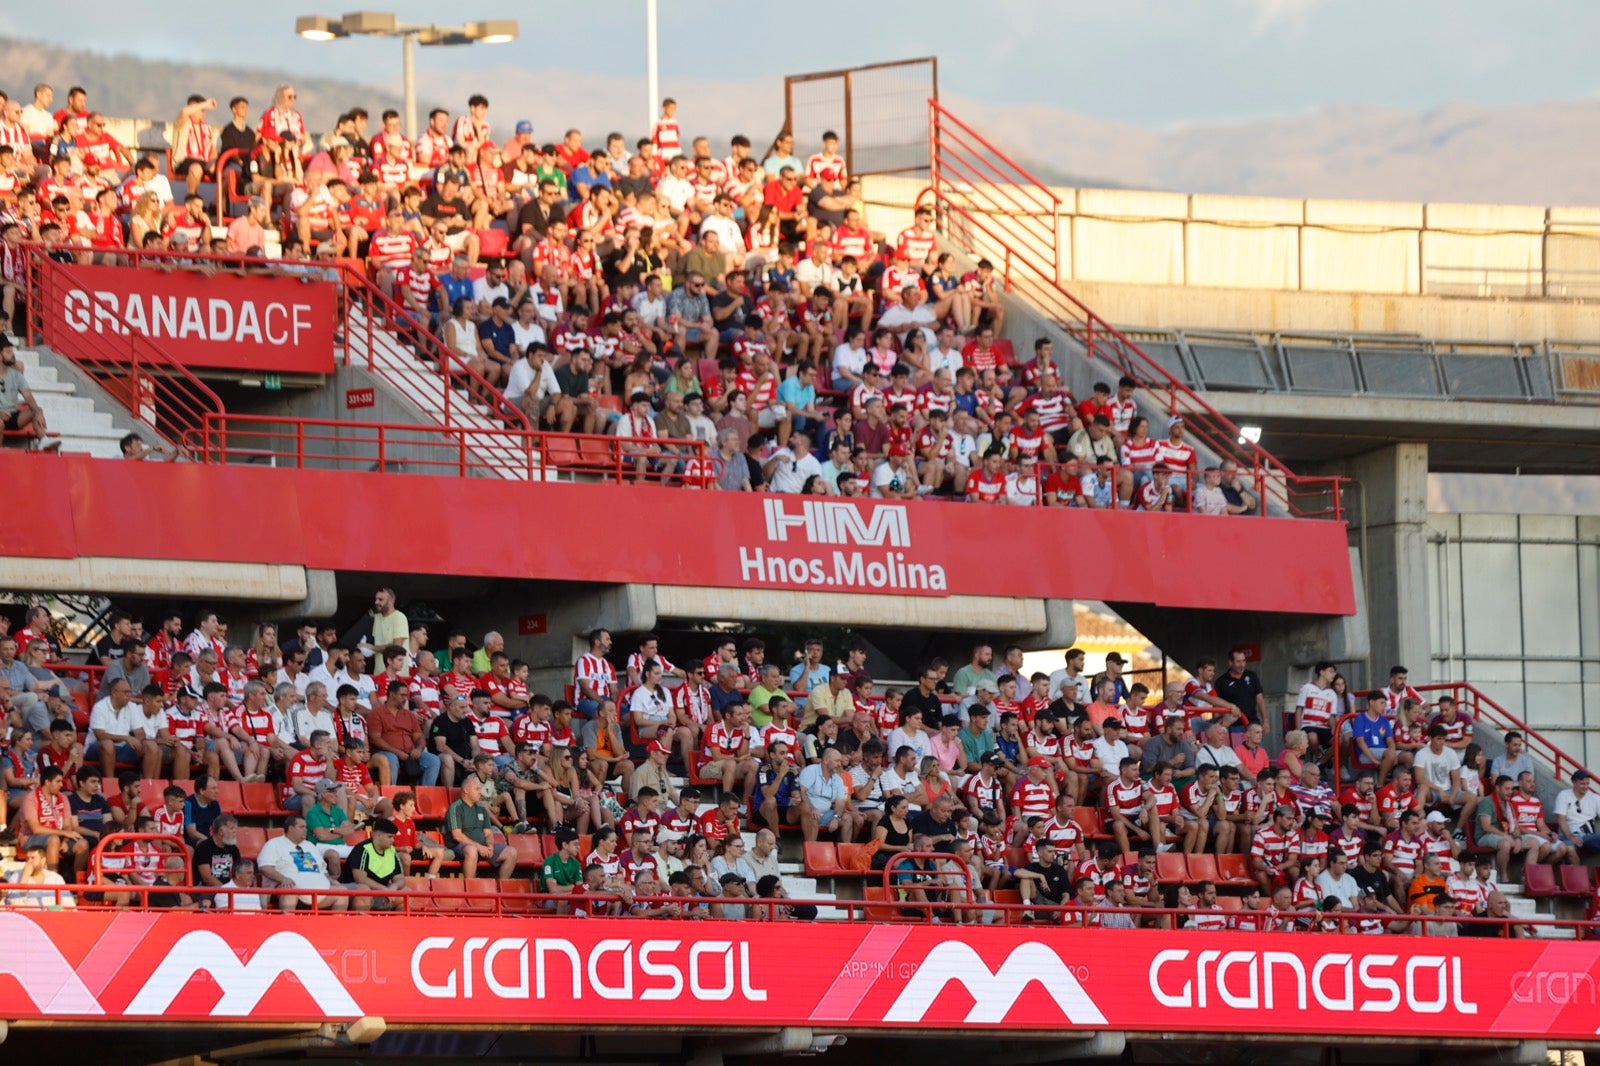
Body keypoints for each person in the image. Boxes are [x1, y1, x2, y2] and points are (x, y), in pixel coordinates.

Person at [255, 814, 349, 912]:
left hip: (317, 891)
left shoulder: (311, 846)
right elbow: (264, 867)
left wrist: (331, 881)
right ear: (291, 828)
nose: (305, 830)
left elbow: (323, 871)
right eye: (302, 827)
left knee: (342, 892)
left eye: (306, 827)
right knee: (289, 891)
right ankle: (288, 921)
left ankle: (334, 922)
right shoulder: (274, 844)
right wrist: (283, 879)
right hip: (287, 889)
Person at [445, 773, 517, 879]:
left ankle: (500, 887)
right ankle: (470, 886)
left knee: (512, 852)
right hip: (460, 847)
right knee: (472, 850)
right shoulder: (456, 808)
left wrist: (490, 846)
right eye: (477, 789)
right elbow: (457, 836)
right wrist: (479, 847)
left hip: (483, 846)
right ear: (466, 790)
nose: (481, 792)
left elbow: (488, 833)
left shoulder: (482, 809)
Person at [344, 818, 408, 911]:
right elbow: (360, 879)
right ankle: (360, 920)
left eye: (393, 837)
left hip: (380, 892)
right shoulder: (363, 849)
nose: (393, 840)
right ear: (378, 835)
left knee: (407, 892)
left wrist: (394, 887)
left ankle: (395, 920)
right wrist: (384, 889)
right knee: (364, 890)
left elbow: (400, 879)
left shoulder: (392, 851)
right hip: (355, 892)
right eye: (390, 837)